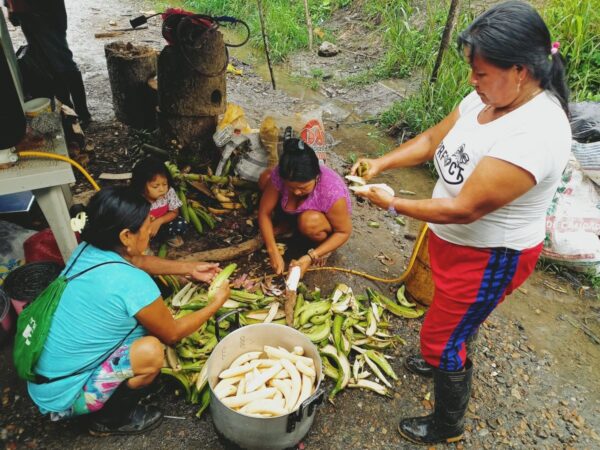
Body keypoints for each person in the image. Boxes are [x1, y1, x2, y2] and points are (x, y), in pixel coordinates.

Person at [351, 1, 571, 444]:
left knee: (443, 338)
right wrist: (381, 162)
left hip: (490, 256)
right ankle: (441, 352)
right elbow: (435, 138)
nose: (472, 81)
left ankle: (446, 424)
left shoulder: (537, 132)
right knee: (448, 318)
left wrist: (394, 203)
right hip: (453, 242)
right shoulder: (487, 96)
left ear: (520, 71)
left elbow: (465, 208)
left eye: (481, 72)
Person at [26, 186, 229, 435]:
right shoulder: (132, 283)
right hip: (64, 398)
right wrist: (215, 303)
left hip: (44, 379)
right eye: (146, 224)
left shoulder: (87, 251)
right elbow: (173, 333)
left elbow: (136, 260)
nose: (151, 227)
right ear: (125, 236)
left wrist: (189, 268)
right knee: (151, 351)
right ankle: (111, 420)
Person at [258, 130, 352, 277]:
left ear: (316, 176)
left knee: (309, 221)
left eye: (302, 188)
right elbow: (264, 212)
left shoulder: (332, 192)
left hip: (322, 224)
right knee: (265, 178)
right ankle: (289, 226)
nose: (296, 192)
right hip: (295, 214)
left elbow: (344, 232)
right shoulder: (281, 174)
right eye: (290, 187)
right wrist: (273, 251)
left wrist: (311, 256)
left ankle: (323, 248)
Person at [5, 0, 92, 125]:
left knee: (64, 64)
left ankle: (83, 113)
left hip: (45, 14)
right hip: (27, 15)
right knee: (47, 64)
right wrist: (9, 6)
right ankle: (67, 110)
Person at [131, 157, 187, 248]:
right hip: (144, 228)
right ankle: (144, 245)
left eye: (164, 184)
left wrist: (159, 221)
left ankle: (167, 236)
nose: (162, 189)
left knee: (180, 223)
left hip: (163, 224)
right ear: (141, 186)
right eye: (155, 186)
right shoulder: (137, 198)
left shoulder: (169, 192)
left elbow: (174, 212)